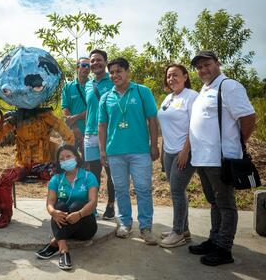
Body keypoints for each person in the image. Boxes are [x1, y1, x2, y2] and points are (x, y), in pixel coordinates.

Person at [188, 51, 256, 266]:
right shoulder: (206, 88)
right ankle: (214, 240)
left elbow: (248, 117)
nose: (203, 70)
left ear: (218, 63)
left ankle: (224, 249)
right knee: (214, 202)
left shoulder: (229, 86)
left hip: (221, 159)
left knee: (226, 204)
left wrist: (236, 142)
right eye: (198, 67)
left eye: (207, 64)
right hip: (204, 159)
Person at [98, 57, 160, 245]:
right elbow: (102, 126)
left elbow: (152, 119)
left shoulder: (142, 92)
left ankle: (146, 227)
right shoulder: (106, 97)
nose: (115, 75)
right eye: (112, 73)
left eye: (119, 71)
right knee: (121, 189)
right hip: (115, 152)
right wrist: (102, 150)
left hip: (140, 151)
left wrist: (154, 144)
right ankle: (124, 223)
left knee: (143, 189)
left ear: (127, 72)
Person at [36, 145, 98, 270]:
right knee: (59, 206)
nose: (65, 160)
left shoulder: (88, 176)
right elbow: (50, 203)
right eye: (62, 158)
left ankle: (54, 243)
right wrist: (53, 212)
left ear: (76, 157)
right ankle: (63, 251)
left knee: (76, 205)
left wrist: (79, 214)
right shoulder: (56, 179)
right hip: (65, 224)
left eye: (68, 156)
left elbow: (93, 202)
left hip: (85, 226)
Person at [157, 64, 198, 248]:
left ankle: (178, 232)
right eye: (168, 76)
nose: (171, 79)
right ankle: (184, 229)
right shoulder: (167, 98)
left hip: (185, 152)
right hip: (169, 151)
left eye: (175, 75)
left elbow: (195, 126)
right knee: (178, 191)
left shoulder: (192, 96)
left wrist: (185, 151)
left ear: (185, 76)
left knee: (176, 190)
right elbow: (166, 127)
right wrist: (163, 149)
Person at [84, 49, 115, 220]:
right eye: (92, 60)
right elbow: (89, 109)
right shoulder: (88, 84)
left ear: (105, 62)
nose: (95, 63)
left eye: (99, 60)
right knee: (92, 174)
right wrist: (85, 132)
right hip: (90, 135)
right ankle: (92, 206)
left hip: (108, 134)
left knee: (111, 173)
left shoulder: (112, 81)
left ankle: (111, 205)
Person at [61, 57, 90, 153]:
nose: (86, 68)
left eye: (88, 66)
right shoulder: (68, 87)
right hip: (71, 131)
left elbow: (94, 110)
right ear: (77, 68)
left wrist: (75, 117)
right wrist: (75, 128)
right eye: (83, 65)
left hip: (90, 132)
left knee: (89, 164)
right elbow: (65, 108)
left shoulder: (93, 86)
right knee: (67, 160)